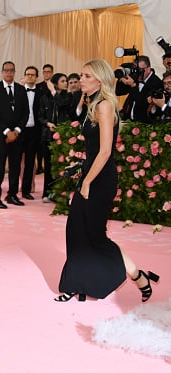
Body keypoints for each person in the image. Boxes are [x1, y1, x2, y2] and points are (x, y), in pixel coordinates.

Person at [55, 59, 160, 303]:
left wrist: (87, 181)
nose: (81, 79)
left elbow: (104, 151)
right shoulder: (92, 103)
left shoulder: (104, 106)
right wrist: (83, 172)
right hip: (91, 174)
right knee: (76, 231)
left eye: (87, 76)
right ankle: (75, 283)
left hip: (99, 180)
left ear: (100, 80)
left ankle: (138, 276)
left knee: (96, 236)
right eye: (81, 75)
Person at [0, 61, 30, 209]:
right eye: (6, 71)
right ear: (2, 72)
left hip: (17, 135)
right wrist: (7, 132)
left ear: (15, 72)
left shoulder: (20, 89)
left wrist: (16, 131)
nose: (9, 73)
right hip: (0, 135)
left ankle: (12, 195)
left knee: (15, 166)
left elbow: (25, 113)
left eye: (12, 70)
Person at [37, 73, 73, 203]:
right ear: (56, 83)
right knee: (48, 165)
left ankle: (60, 193)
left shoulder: (68, 96)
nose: (66, 83)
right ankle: (47, 193)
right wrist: (47, 123)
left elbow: (62, 104)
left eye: (66, 81)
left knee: (62, 165)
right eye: (63, 81)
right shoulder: (44, 98)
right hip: (48, 135)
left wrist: (53, 91)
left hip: (63, 136)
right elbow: (40, 116)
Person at [20, 66, 44, 201]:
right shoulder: (18, 91)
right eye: (28, 74)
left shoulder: (41, 93)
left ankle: (26, 190)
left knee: (30, 161)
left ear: (36, 77)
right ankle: (13, 189)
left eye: (32, 75)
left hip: (34, 131)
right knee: (17, 160)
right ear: (24, 76)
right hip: (20, 130)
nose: (30, 76)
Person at [115, 55, 162, 123]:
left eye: (139, 70)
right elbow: (119, 92)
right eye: (135, 69)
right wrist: (122, 78)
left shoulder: (156, 82)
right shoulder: (135, 76)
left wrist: (133, 85)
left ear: (148, 68)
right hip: (129, 120)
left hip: (144, 123)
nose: (137, 73)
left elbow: (143, 103)